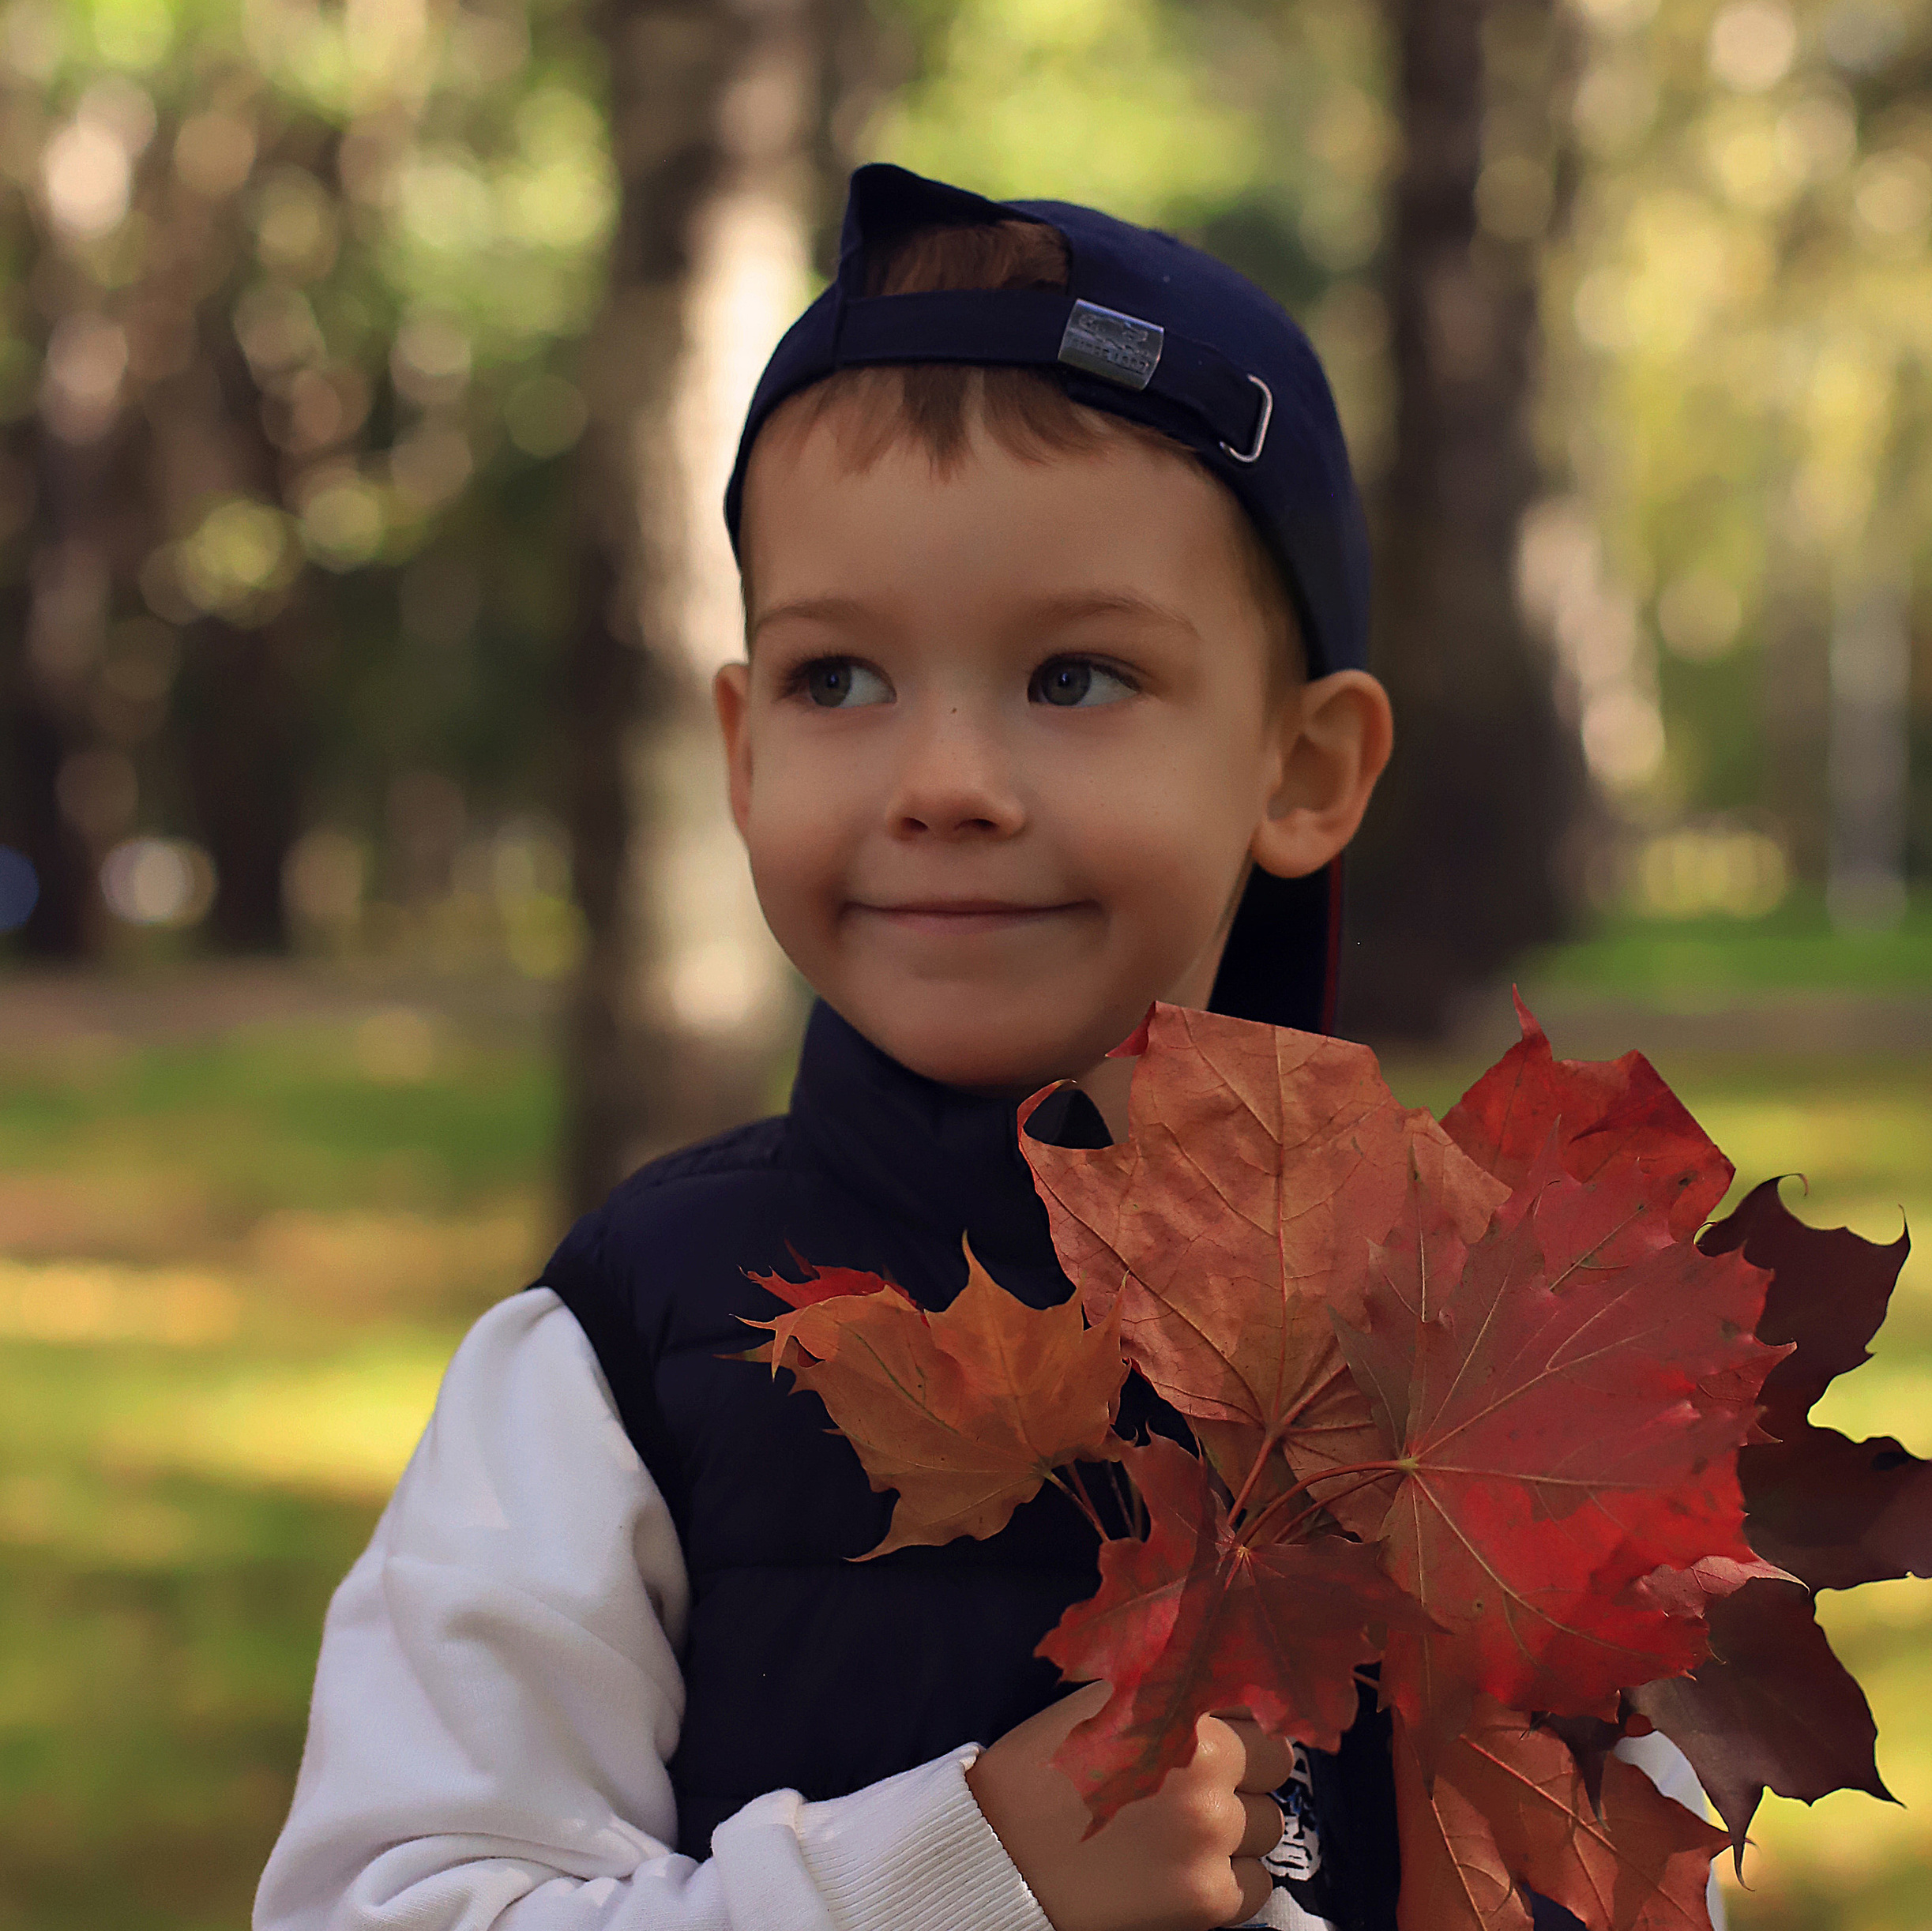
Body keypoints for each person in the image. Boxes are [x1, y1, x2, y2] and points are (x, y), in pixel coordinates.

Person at [254, 164, 1708, 1931]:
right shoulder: (632, 1351)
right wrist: (963, 1878)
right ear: (742, 750)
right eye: (839, 680)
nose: (943, 784)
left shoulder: (1476, 1345)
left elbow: (1632, 1875)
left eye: (1074, 677)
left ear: (1304, 768)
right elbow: (386, 1903)